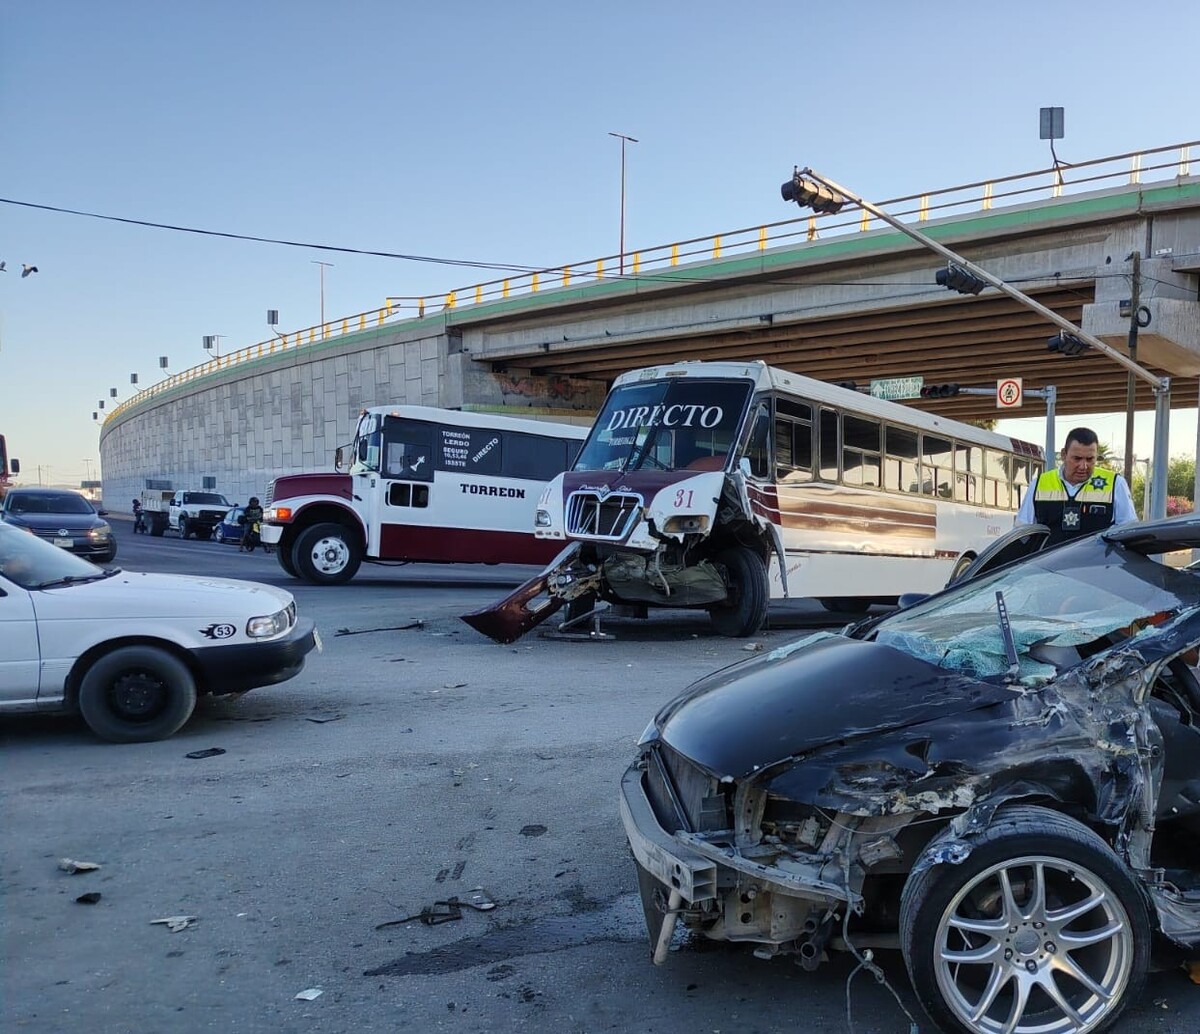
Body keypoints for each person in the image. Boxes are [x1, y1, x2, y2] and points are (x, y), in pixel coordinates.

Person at [1015, 426, 1137, 545]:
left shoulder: (1115, 484)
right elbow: (1022, 533)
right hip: (1049, 564)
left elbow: (1128, 531)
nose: (1083, 466)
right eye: (1077, 459)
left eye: (1090, 459)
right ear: (1063, 454)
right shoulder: (1039, 484)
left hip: (1097, 564)